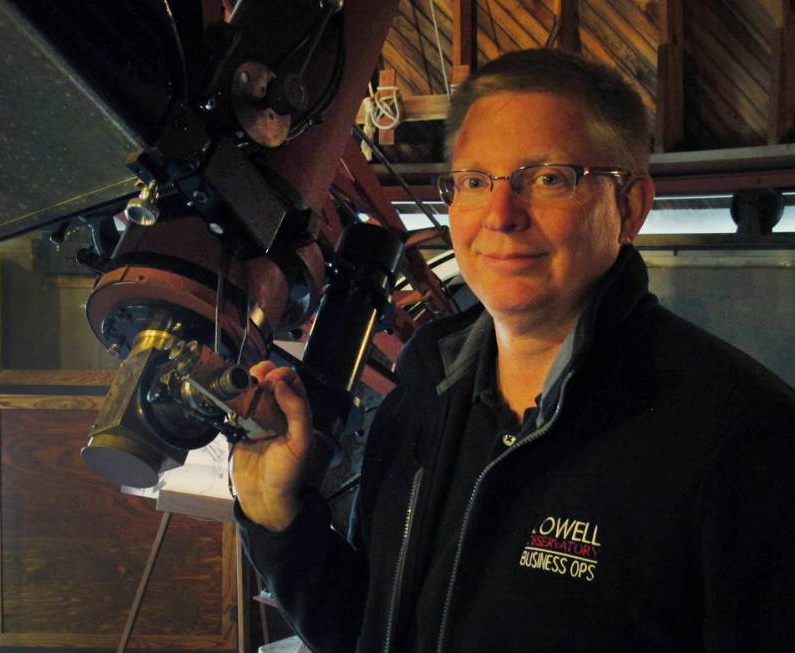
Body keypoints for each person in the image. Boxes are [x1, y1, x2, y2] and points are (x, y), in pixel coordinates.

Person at [231, 48, 795, 652]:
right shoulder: (423, 399)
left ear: (628, 207)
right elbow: (374, 633)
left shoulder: (744, 441)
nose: (500, 215)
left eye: (548, 179)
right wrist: (276, 517)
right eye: (475, 182)